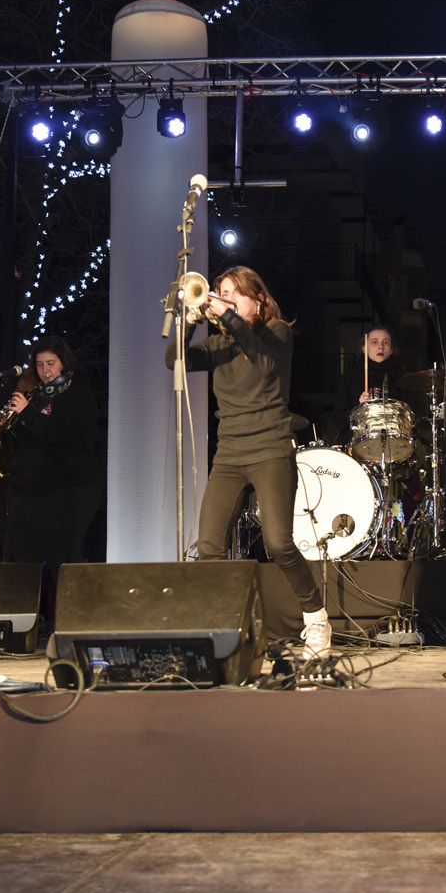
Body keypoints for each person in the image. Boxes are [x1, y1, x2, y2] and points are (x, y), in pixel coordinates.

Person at [172, 265, 331, 656]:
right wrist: (189, 321)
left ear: (257, 299)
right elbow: (173, 361)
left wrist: (224, 315)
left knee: (279, 543)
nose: (224, 298)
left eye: (232, 293)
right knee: (209, 546)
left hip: (271, 448)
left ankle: (316, 618)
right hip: (229, 454)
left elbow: (262, 363)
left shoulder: (275, 333)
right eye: (220, 291)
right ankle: (219, 625)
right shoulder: (218, 345)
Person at [3, 336, 102, 603]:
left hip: (74, 486)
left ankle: (71, 618)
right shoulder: (36, 396)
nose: (45, 370)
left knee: (65, 554)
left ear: (63, 364)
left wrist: (27, 414)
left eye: (50, 363)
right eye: (39, 365)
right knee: (30, 556)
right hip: (40, 487)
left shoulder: (77, 394)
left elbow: (64, 434)